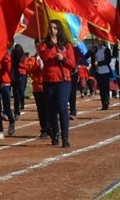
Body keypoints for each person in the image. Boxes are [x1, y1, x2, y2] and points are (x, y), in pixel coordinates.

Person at [39, 19, 76, 148]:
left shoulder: (66, 45)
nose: (52, 31)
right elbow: (44, 57)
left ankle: (65, 136)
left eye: (55, 28)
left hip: (63, 80)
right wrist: (50, 46)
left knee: (62, 106)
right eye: (50, 28)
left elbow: (72, 64)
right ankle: (55, 133)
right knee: (51, 109)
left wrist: (63, 58)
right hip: (49, 80)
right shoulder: (43, 45)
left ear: (59, 30)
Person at [25, 49, 52, 138]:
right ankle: (44, 129)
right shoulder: (34, 59)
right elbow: (28, 69)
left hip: (48, 85)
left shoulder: (49, 56)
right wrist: (36, 62)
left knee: (50, 108)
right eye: (37, 46)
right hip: (38, 87)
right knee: (41, 110)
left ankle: (51, 128)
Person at [91, 39, 112, 110]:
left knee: (105, 88)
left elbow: (108, 60)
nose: (99, 43)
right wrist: (92, 52)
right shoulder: (95, 49)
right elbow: (92, 59)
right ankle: (103, 103)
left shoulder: (106, 49)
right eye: (98, 41)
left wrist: (99, 63)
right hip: (98, 72)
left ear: (103, 42)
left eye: (100, 41)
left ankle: (106, 102)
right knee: (101, 89)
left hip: (105, 71)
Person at [10, 44, 27, 120]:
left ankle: (22, 103)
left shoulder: (23, 57)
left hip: (22, 75)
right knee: (16, 93)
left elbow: (26, 66)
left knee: (21, 91)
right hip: (14, 76)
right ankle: (16, 111)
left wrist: (19, 65)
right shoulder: (12, 57)